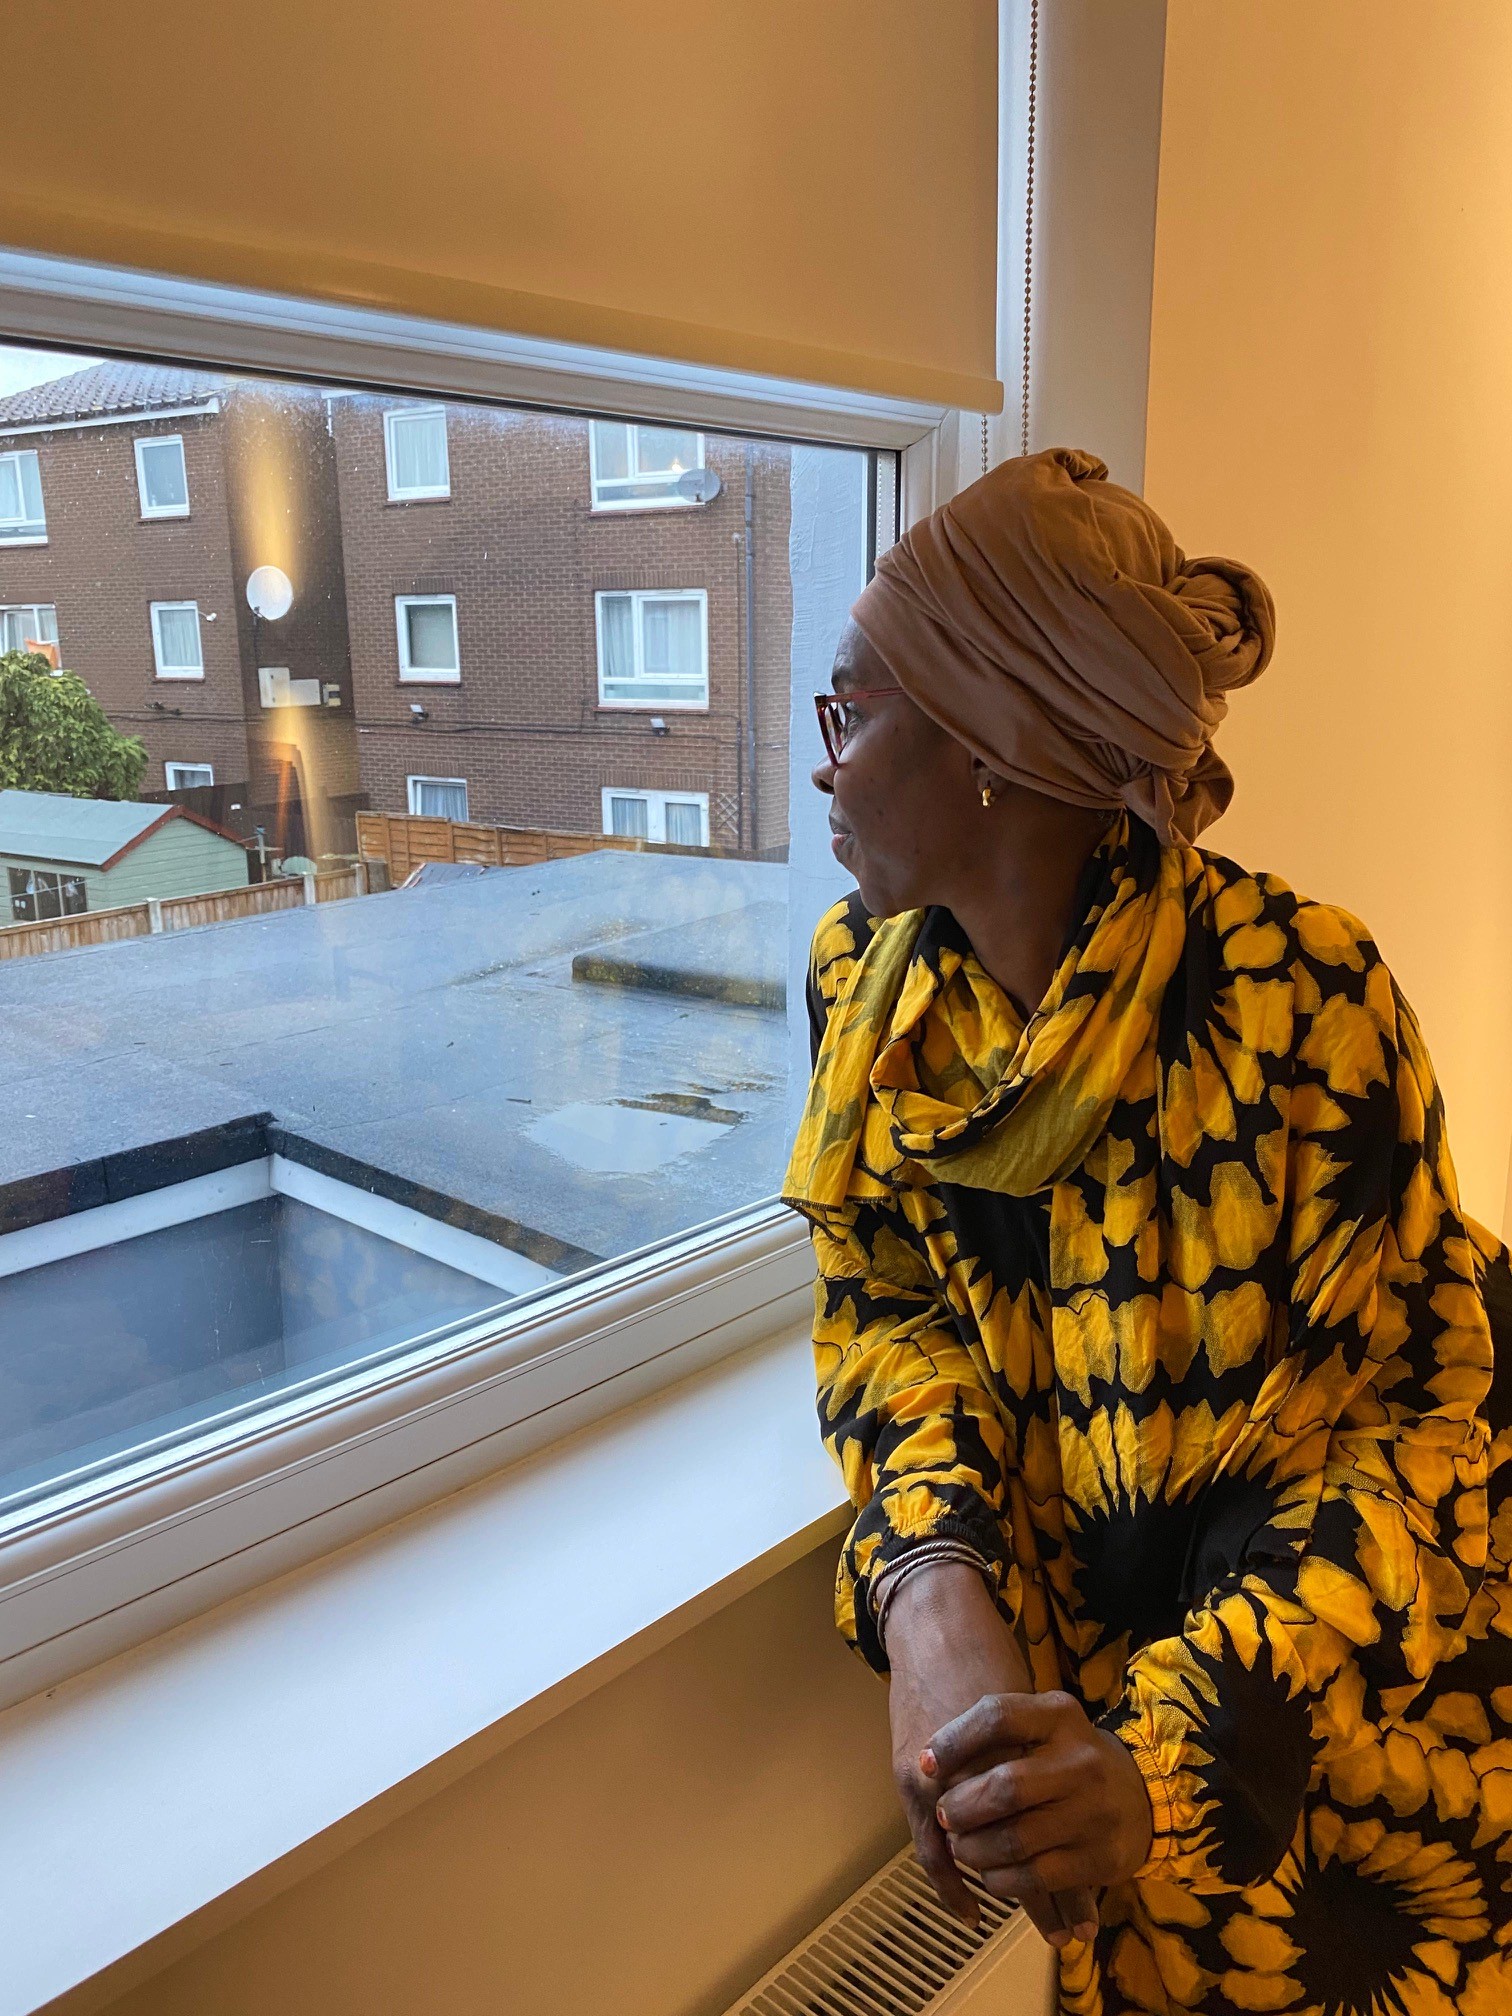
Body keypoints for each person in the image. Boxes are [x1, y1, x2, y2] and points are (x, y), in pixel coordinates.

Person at [783, 447, 1512, 2016]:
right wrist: (932, 1583)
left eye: (853, 713)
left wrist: (1175, 1753)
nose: (823, 769)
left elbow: (1415, 1429)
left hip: (1341, 1745)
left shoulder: (1298, 1002)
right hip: (1056, 1733)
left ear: (991, 741)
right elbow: (887, 1311)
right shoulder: (867, 992)